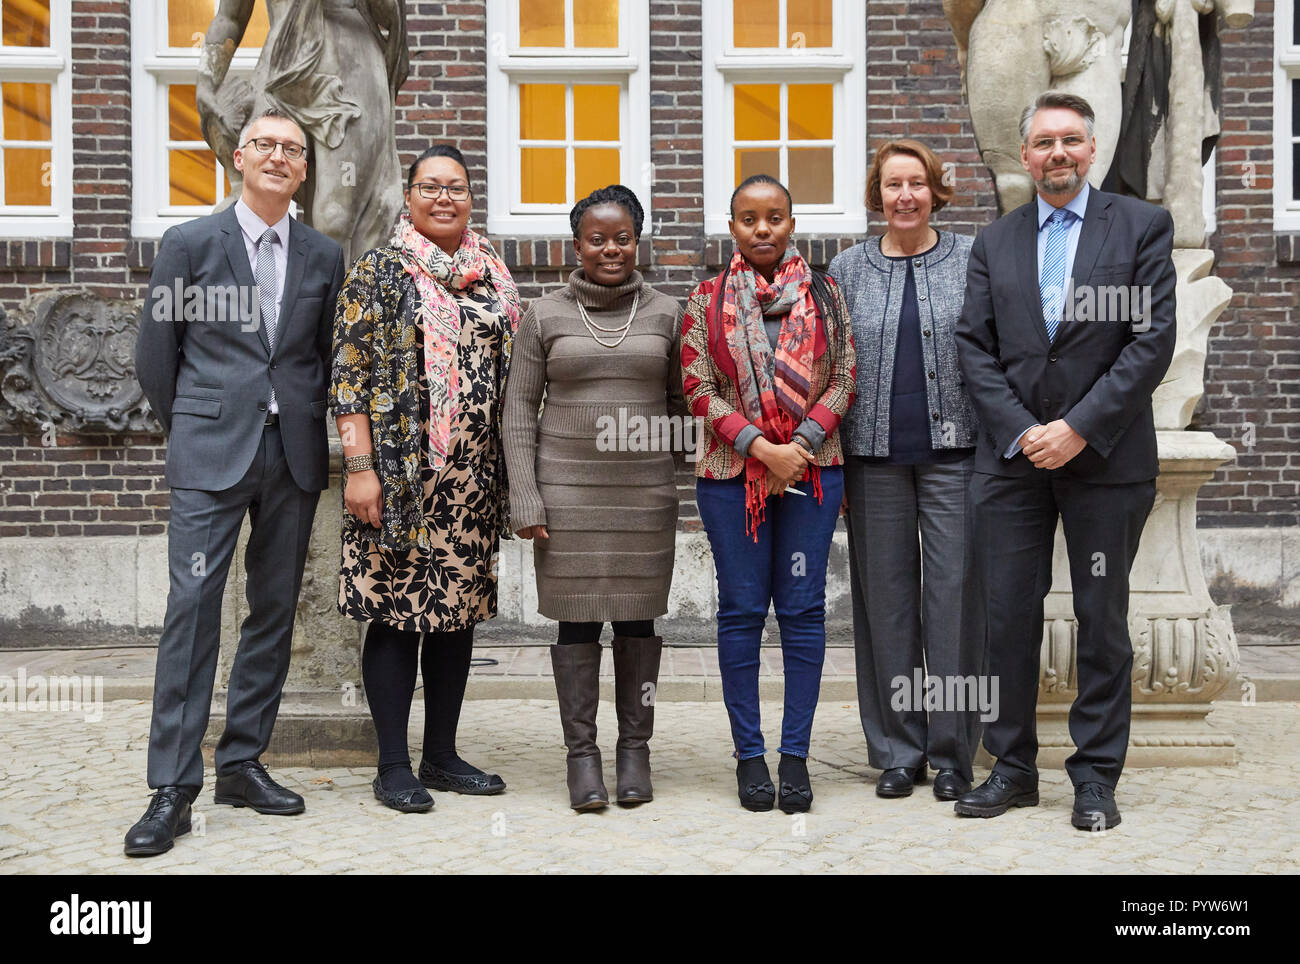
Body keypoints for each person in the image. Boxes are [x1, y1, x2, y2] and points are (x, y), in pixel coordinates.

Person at [954, 91, 1176, 830]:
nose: (1057, 153)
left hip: (1105, 461)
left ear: (1091, 150)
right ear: (1024, 155)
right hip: (1013, 462)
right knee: (1005, 617)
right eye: (1044, 141)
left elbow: (1150, 343)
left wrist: (1077, 428)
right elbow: (974, 348)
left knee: (1101, 617)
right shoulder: (996, 242)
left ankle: (1095, 778)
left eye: (1071, 141)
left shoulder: (1141, 227)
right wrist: (1024, 431)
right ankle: (1012, 767)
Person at [128, 109, 346, 856]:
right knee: (192, 608)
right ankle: (172, 786)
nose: (279, 156)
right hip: (209, 453)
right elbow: (157, 358)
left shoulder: (323, 254)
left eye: (293, 148)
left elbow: (318, 357)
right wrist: (195, 425)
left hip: (290, 457)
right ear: (238, 157)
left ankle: (243, 761)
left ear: (305, 168)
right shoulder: (189, 244)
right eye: (266, 145)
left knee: (273, 609)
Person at [330, 144, 521, 813]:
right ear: (408, 197)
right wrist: (360, 470)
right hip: (400, 477)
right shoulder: (380, 274)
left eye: (457, 187)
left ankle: (442, 753)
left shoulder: (493, 274)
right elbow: (347, 381)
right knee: (396, 615)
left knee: (457, 618)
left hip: (473, 481)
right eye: (431, 186)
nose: (445, 197)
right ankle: (392, 765)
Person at [504, 185, 685, 811]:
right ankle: (582, 757)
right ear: (575, 244)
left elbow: (683, 402)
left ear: (639, 240)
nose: (611, 248)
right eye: (597, 238)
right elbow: (519, 409)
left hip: (642, 500)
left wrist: (662, 460)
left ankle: (635, 750)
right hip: (566, 494)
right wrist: (526, 498)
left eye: (623, 237)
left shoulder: (667, 312)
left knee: (640, 623)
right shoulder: (543, 315)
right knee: (576, 625)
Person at [682, 174, 856, 814]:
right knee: (742, 612)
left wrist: (797, 448)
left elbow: (845, 378)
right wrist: (762, 449)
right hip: (732, 479)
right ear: (731, 227)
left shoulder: (829, 296)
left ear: (792, 222)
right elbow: (699, 388)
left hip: (813, 472)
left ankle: (797, 757)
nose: (763, 229)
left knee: (806, 613)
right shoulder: (704, 300)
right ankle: (750, 757)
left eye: (775, 217)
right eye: (749, 219)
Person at [828, 139, 984, 803]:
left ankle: (952, 754)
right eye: (893, 185)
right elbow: (827, 367)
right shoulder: (846, 269)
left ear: (935, 189)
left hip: (957, 459)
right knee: (884, 609)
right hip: (873, 463)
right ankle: (897, 749)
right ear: (878, 194)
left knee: (953, 606)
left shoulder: (972, 258)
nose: (905, 197)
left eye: (916, 183)